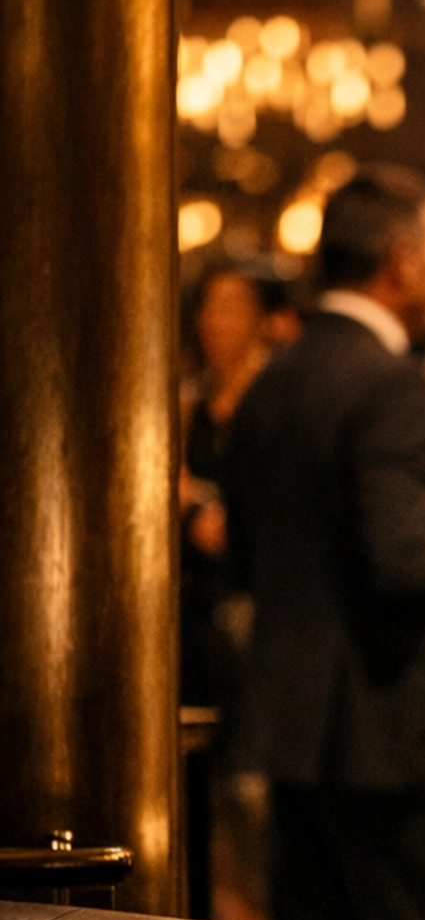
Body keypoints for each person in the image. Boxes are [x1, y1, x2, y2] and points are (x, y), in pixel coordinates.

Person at [225, 165, 425, 920]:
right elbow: (404, 566)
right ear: (402, 259)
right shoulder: (391, 383)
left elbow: (245, 556)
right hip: (388, 724)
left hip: (292, 729)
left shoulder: (272, 378)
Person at [179, 263, 273, 711]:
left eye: (230, 308)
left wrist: (196, 509)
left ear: (260, 318)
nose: (214, 322)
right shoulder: (190, 402)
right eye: (208, 308)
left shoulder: (275, 399)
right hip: (199, 593)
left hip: (254, 594)